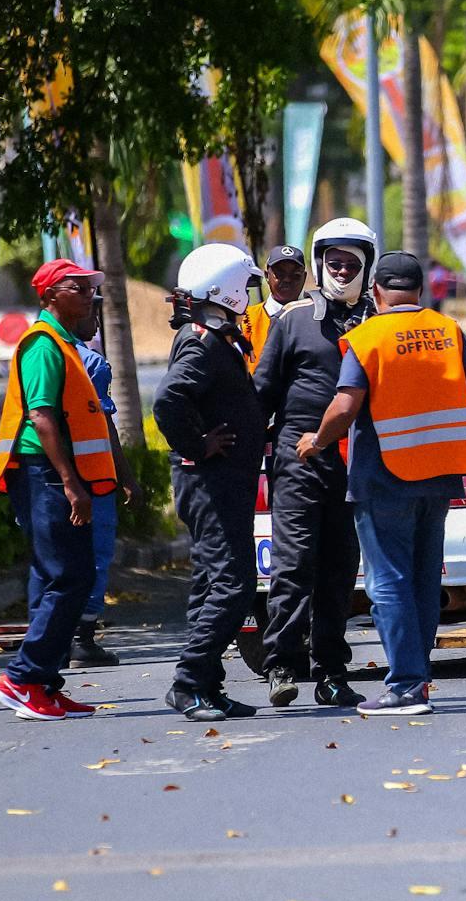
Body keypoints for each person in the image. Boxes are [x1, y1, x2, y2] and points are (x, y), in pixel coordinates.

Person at [296, 251, 466, 716]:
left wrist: (316, 442)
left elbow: (344, 407)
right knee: (423, 581)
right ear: (420, 289)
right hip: (440, 474)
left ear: (376, 291)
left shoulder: (368, 337)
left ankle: (404, 685)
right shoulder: (449, 332)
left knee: (388, 584)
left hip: (385, 479)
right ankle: (417, 678)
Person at [251, 219, 378, 709]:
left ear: (366, 269)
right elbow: (262, 393)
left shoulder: (377, 323)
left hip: (356, 460)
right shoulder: (293, 321)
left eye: (351, 263)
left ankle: (330, 671)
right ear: (320, 264)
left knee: (340, 568)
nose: (342, 271)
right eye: (334, 262)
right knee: (293, 562)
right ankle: (281, 663)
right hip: (298, 455)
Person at [0, 258, 115, 721]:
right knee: (66, 576)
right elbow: (41, 417)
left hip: (58, 475)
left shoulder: (66, 343)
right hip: (45, 473)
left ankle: (43, 682)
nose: (87, 295)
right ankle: (21, 678)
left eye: (89, 289)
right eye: (77, 288)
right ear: (49, 297)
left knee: (75, 576)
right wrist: (69, 482)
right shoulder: (43, 344)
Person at [153, 244, 268, 722]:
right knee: (233, 585)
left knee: (209, 582)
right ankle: (189, 682)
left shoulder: (215, 335)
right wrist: (199, 446)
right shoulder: (203, 341)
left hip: (222, 482)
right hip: (211, 482)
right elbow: (167, 401)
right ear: (228, 289)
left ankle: (208, 686)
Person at [70, 328, 136, 668]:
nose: (94, 320)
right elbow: (105, 425)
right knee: (95, 556)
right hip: (93, 478)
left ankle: (59, 637)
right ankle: (82, 638)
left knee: (56, 560)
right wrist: (127, 477)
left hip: (46, 478)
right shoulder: (92, 362)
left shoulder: (33, 351)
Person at [240, 245, 307, 374]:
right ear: (266, 275)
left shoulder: (314, 319)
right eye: (280, 274)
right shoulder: (246, 318)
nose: (287, 279)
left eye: (296, 275)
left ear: (304, 277)